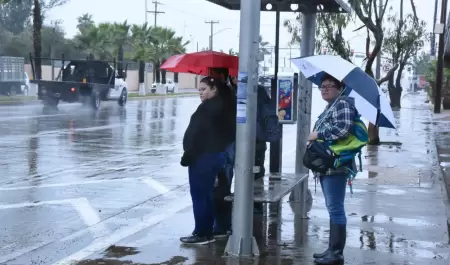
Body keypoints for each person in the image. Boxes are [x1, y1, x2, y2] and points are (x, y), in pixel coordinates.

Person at [309, 74, 356, 264]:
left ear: (340, 88)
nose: (325, 89)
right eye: (322, 86)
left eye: (330, 86)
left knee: (335, 207)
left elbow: (344, 129)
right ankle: (331, 249)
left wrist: (318, 134)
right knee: (332, 207)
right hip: (328, 165)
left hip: (336, 165)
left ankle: (336, 254)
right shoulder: (332, 106)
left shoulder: (343, 104)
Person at [179, 76, 231, 245]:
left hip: (203, 157)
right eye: (199, 90)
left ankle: (202, 232)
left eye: (204, 89)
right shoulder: (222, 105)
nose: (200, 93)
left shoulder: (209, 108)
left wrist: (190, 154)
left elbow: (199, 135)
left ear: (214, 89)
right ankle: (209, 229)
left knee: (200, 195)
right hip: (214, 155)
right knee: (208, 194)